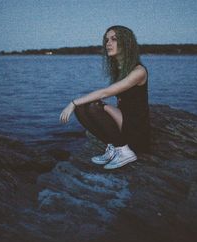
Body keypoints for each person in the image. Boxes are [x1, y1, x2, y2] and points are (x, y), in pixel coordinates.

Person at [59, 25, 150, 169]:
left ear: (126, 43)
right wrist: (78, 105)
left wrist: (73, 102)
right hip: (124, 120)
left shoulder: (139, 71)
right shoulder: (120, 69)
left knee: (93, 105)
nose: (108, 43)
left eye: (114, 39)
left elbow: (105, 93)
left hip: (137, 128)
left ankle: (124, 151)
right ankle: (114, 147)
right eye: (106, 40)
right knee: (82, 108)